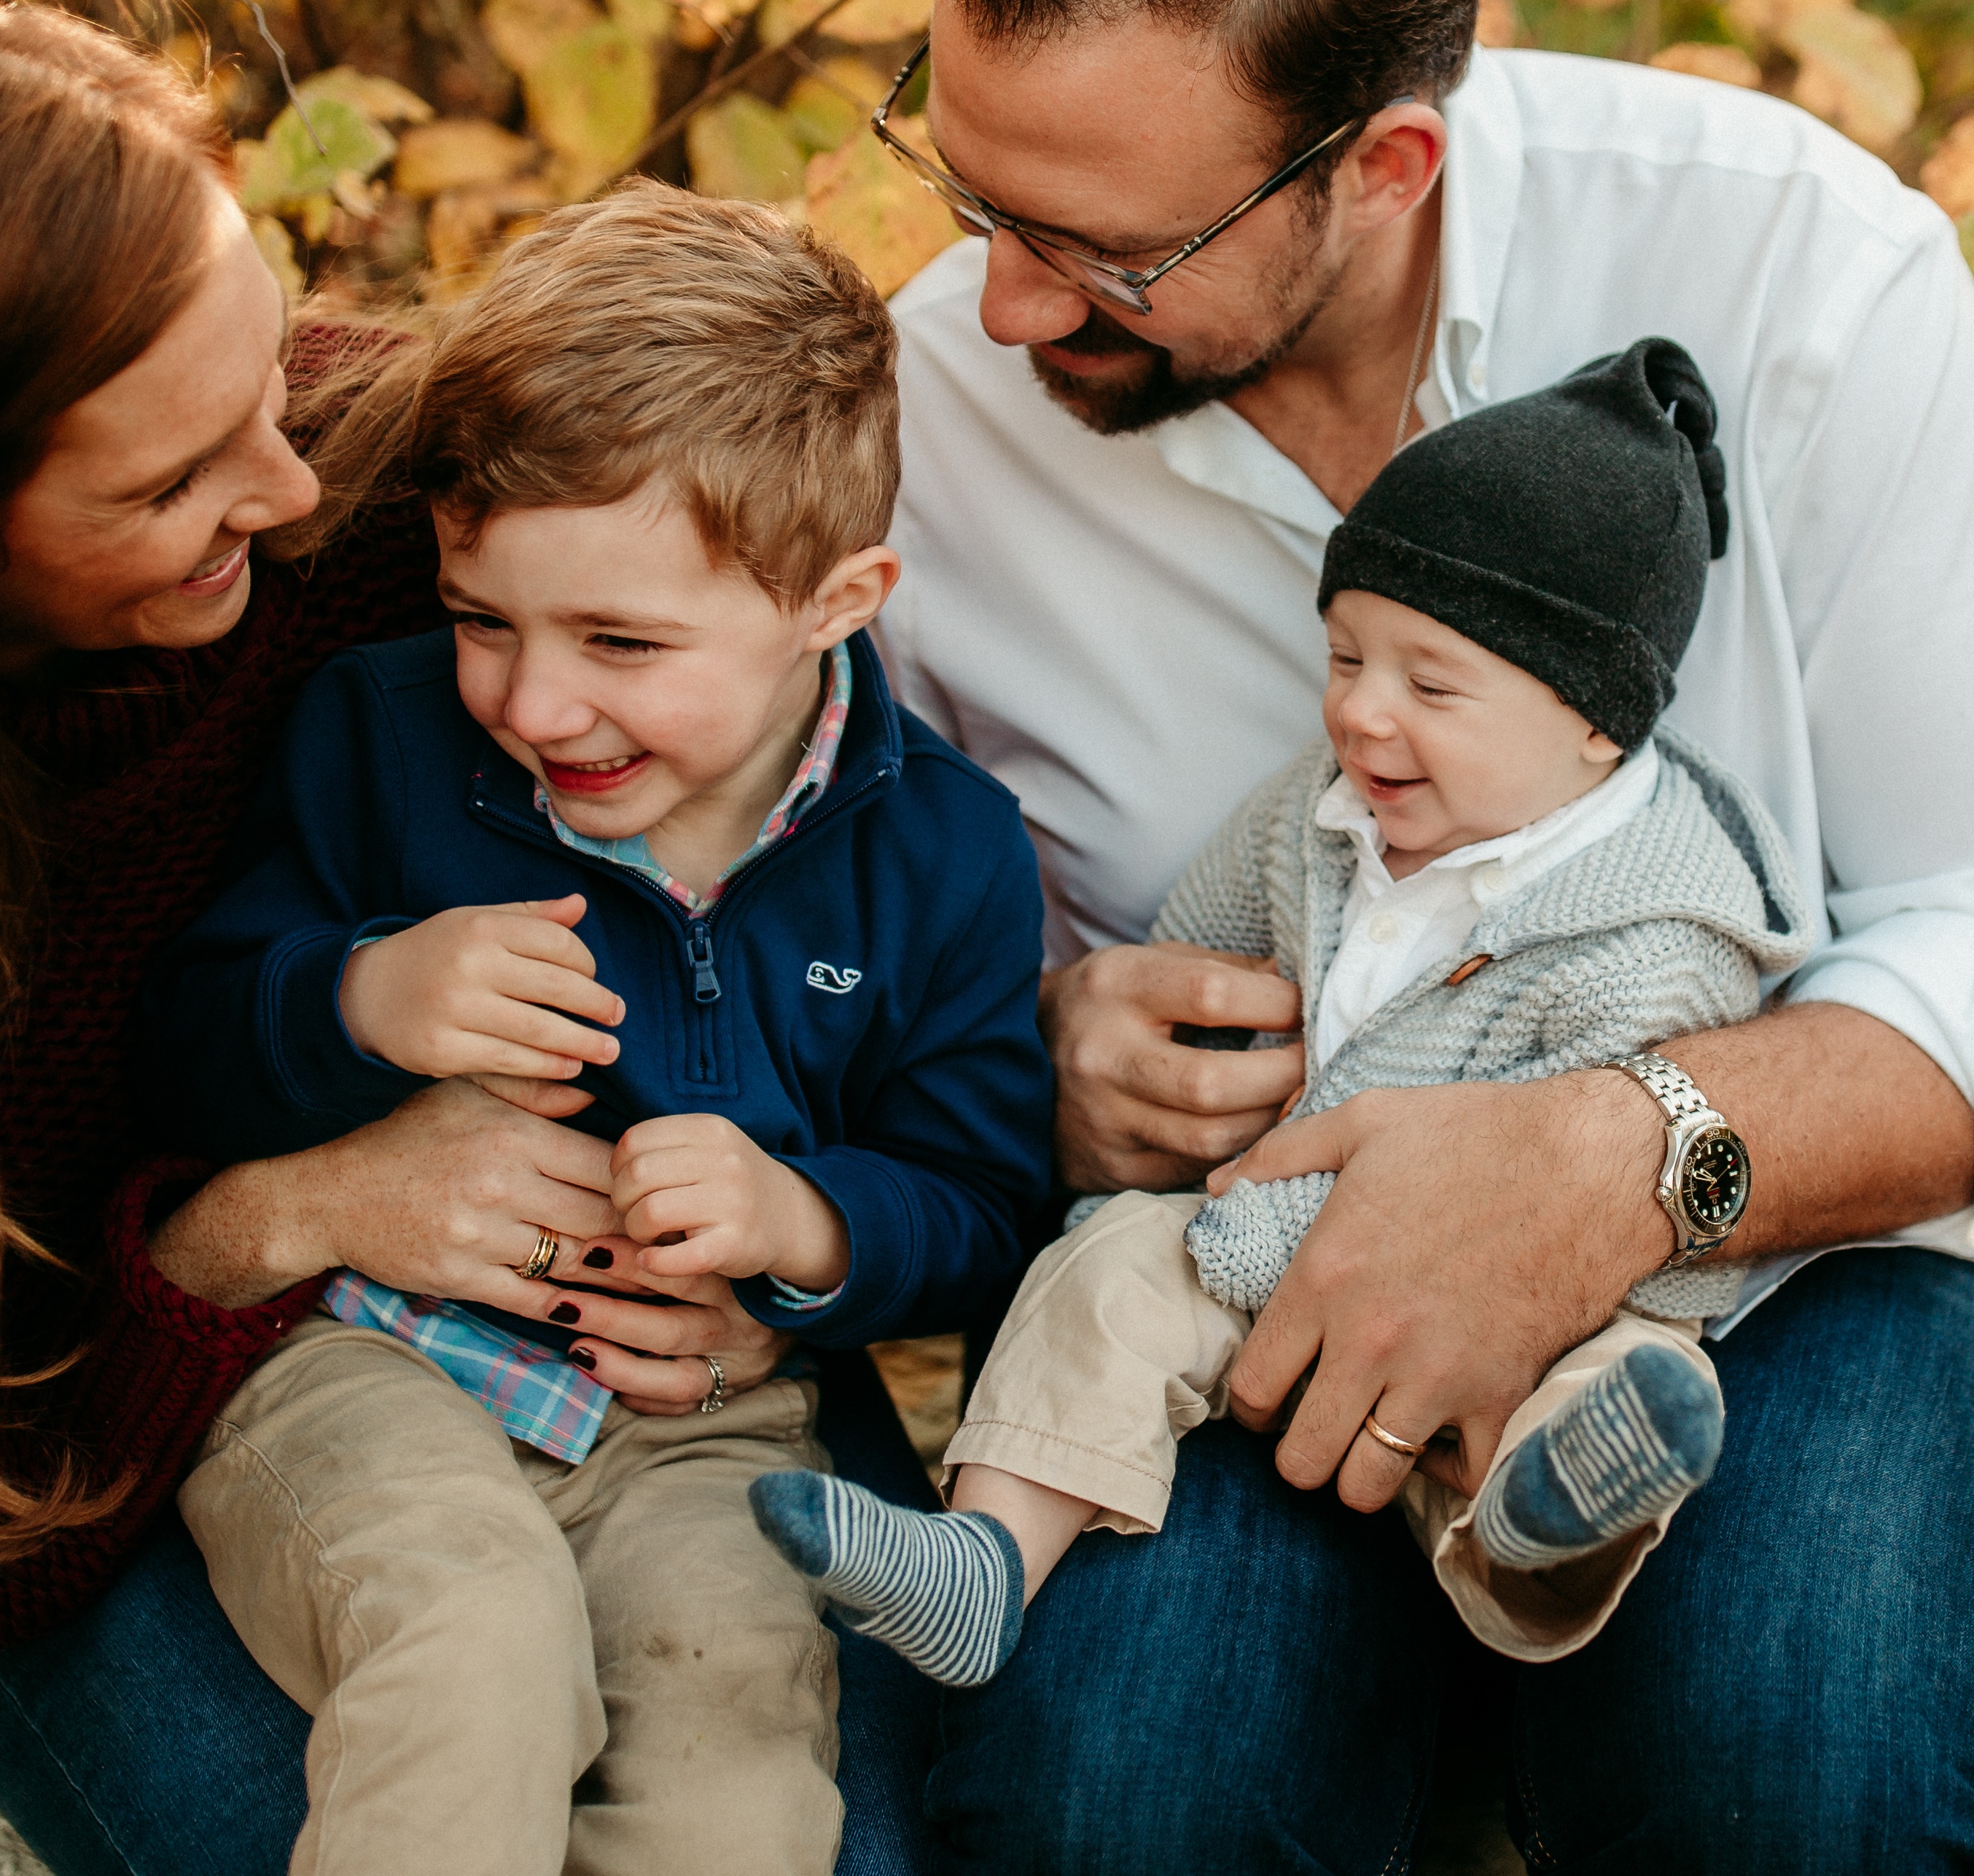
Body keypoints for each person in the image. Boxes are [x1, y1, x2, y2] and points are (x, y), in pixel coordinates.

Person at [857, 0, 1974, 1872]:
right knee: (1102, 1815)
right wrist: (1042, 1053)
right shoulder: (930, 416)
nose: (996, 309)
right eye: (965, 185)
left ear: (1382, 164)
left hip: (1799, 1265)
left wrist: (1611, 1156)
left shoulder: (1794, 271)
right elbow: (868, 943)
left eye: (1103, 250)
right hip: (1226, 1268)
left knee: (1784, 1794)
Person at [0, 0, 901, 1876]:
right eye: (172, 479)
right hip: (139, 1465)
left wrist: (795, 1215)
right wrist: (284, 1213)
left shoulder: (402, 514)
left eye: (268, 375)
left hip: (633, 1391)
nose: (290, 486)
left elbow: (793, 749)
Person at [136, 184, 1050, 1875]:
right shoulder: (379, 739)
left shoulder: (941, 855)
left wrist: (812, 1224)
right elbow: (182, 1044)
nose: (535, 703)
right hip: (356, 1362)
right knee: (474, 1651)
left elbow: (984, 1201)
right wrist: (357, 996)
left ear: (837, 601)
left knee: (739, 1783)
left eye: (619, 642)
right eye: (483, 620)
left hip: (696, 1424)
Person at [762, 337, 1834, 1688]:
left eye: (1430, 685)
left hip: (1498, 1279)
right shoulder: (1314, 820)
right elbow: (1196, 942)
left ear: (1596, 728)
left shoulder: (1657, 935)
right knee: (1101, 1283)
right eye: (1344, 657)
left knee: (1600, 1366)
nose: (1362, 716)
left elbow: (1612, 1186)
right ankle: (987, 1554)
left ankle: (1536, 1513)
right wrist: (1150, 1085)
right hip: (1252, 1227)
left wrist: (1528, 1279)